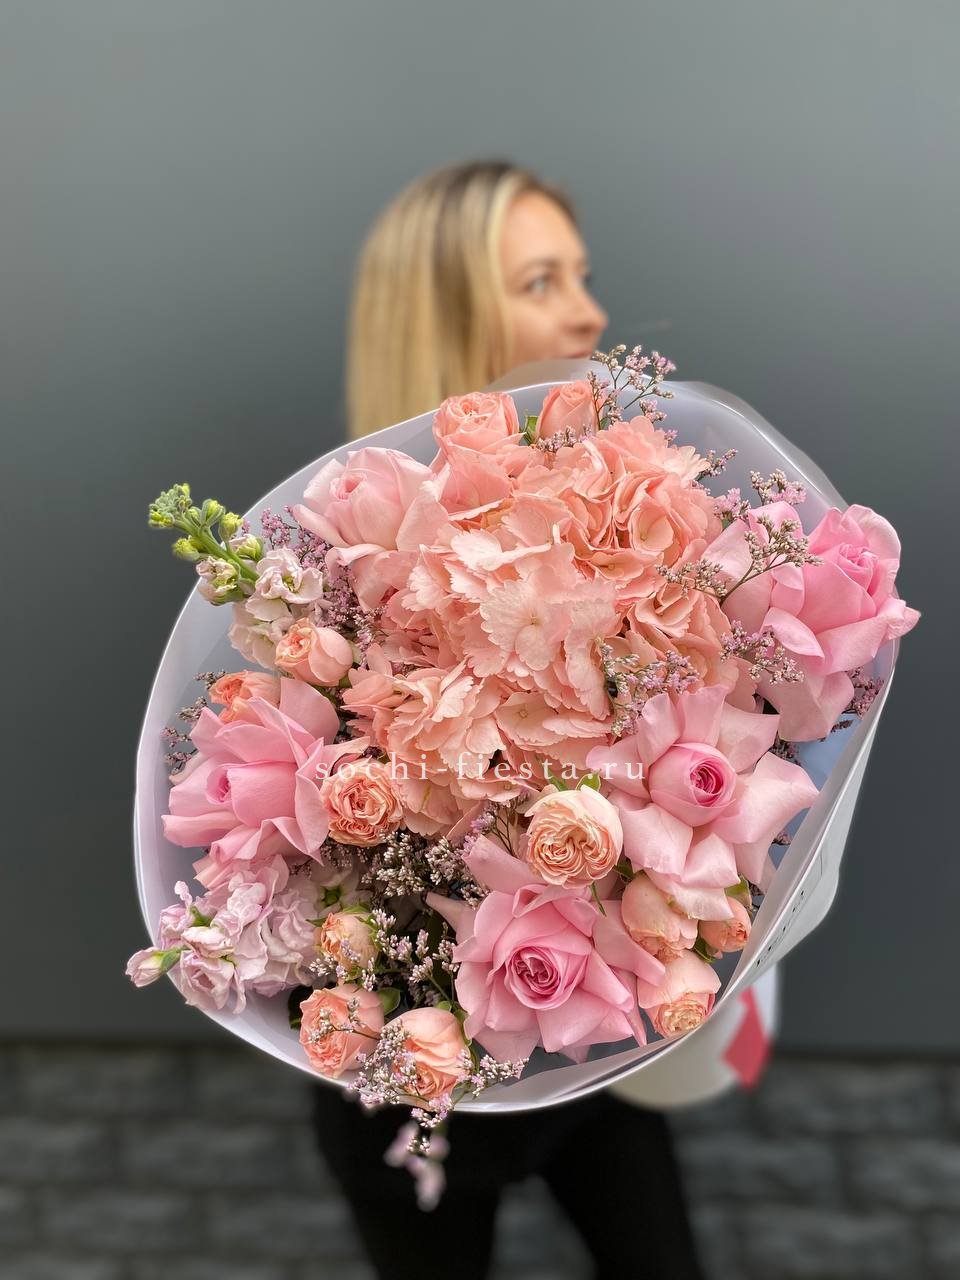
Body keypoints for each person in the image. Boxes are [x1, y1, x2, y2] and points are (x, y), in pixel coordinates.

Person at [314, 159, 706, 1280]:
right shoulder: (338, 578)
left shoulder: (622, 533)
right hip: (411, 1069)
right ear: (443, 317)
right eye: (542, 281)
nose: (587, 313)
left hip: (597, 1045)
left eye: (580, 276)